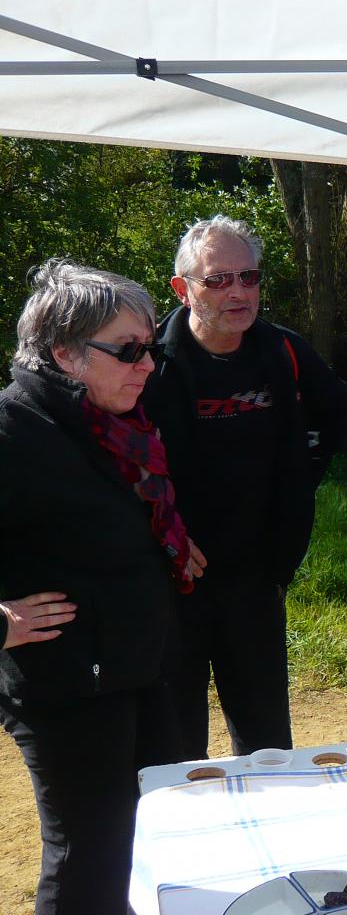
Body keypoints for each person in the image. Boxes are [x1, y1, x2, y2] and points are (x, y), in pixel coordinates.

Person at [1, 260, 203, 915]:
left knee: (151, 830)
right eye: (128, 350)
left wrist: (163, 544)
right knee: (88, 852)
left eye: (150, 347)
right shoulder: (15, 429)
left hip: (132, 667)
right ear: (64, 352)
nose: (147, 365)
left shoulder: (108, 423)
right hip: (64, 683)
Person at [143, 215, 347, 760]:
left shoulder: (282, 352)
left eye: (249, 277)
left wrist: (297, 486)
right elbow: (117, 460)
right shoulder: (150, 366)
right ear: (181, 289)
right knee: (174, 743)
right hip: (173, 577)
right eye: (218, 279)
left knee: (266, 746)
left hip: (257, 576)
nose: (238, 291)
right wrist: (159, 533)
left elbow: (334, 415)